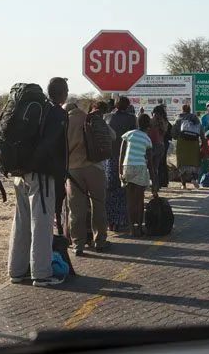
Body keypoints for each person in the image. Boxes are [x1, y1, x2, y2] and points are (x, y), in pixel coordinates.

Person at [8, 77, 68, 287]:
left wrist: (25, 167)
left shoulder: (38, 109)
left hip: (19, 173)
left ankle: (16, 271)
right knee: (41, 223)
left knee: (21, 222)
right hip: (39, 175)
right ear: (63, 93)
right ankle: (42, 274)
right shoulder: (57, 113)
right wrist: (35, 166)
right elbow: (49, 145)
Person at [64, 98, 113, 256]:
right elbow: (112, 135)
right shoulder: (90, 118)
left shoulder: (64, 123)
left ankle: (78, 244)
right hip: (95, 167)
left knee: (76, 209)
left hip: (73, 171)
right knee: (98, 205)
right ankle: (100, 241)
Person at [120, 114, 157, 237]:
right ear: (148, 126)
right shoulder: (147, 139)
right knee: (139, 200)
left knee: (130, 200)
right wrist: (153, 183)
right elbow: (150, 163)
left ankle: (131, 228)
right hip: (140, 167)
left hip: (127, 167)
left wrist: (120, 171)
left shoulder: (129, 134)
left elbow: (121, 154)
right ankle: (140, 227)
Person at [105, 97, 136, 232]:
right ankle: (120, 220)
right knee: (123, 190)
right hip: (125, 158)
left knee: (109, 190)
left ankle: (110, 221)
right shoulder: (131, 118)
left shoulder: (106, 117)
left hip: (108, 158)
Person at [173, 104, 202, 189]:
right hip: (194, 144)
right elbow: (201, 130)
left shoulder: (179, 118)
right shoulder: (195, 118)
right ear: (190, 110)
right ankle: (193, 179)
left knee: (182, 163)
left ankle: (183, 184)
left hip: (182, 144)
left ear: (182, 110)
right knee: (193, 163)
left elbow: (174, 134)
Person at [149, 105, 169, 192]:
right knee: (155, 167)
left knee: (154, 167)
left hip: (157, 145)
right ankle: (155, 185)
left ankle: (155, 185)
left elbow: (164, 130)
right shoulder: (164, 121)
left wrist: (157, 121)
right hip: (159, 145)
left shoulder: (161, 122)